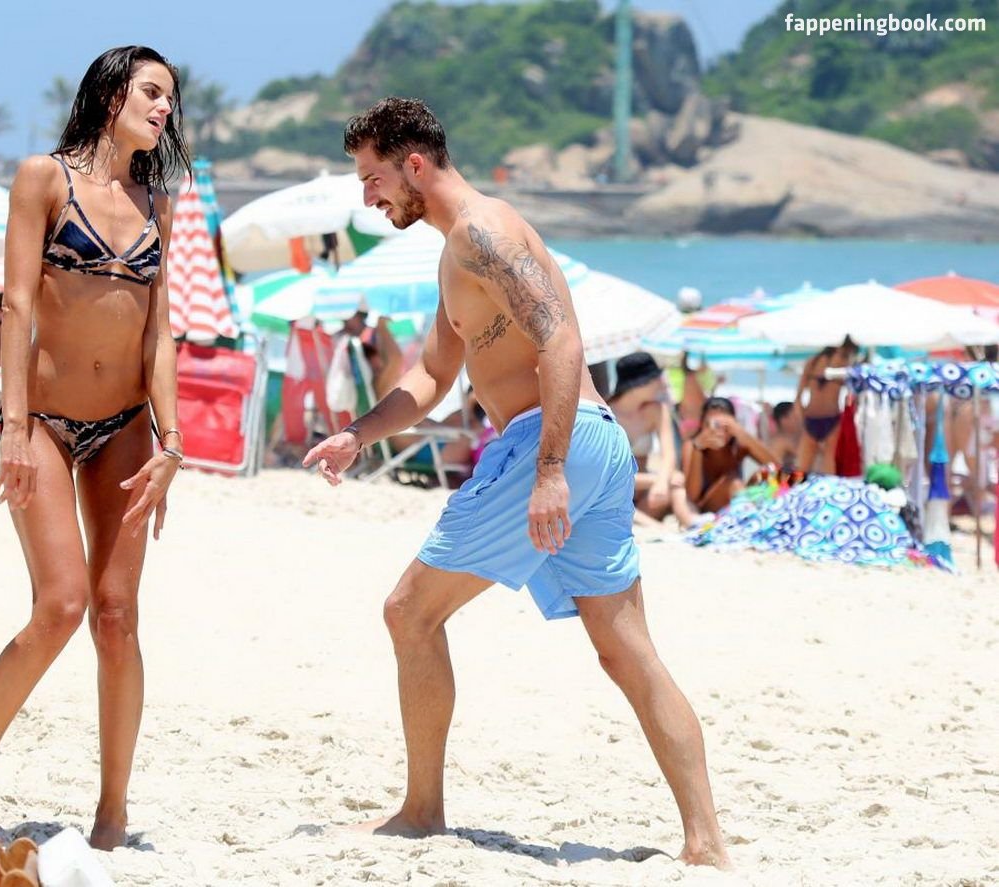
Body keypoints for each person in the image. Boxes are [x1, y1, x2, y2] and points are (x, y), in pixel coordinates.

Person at [302, 97, 730, 867]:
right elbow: (432, 378)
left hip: (551, 440)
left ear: (414, 164)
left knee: (409, 612)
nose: (367, 197)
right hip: (595, 442)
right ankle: (705, 844)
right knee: (626, 650)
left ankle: (421, 811)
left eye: (372, 178)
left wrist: (549, 470)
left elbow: (559, 340)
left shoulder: (483, 232)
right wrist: (358, 433)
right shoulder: (455, 253)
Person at [0, 45, 188, 851]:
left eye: (170, 98)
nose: (163, 108)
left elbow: (158, 334)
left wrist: (171, 442)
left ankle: (112, 813)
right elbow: (18, 306)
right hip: (45, 424)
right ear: (111, 94)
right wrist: (12, 428)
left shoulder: (157, 202)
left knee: (118, 617)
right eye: (151, 91)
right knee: (60, 606)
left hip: (124, 427)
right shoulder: (42, 179)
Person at [607, 351, 697, 527]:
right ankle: (658, 528)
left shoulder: (657, 410)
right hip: (614, 491)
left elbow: (669, 454)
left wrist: (662, 481)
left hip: (644, 495)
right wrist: (657, 480)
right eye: (656, 378)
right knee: (671, 479)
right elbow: (606, 476)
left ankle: (693, 524)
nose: (662, 383)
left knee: (675, 482)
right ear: (639, 383)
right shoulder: (605, 413)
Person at [684, 396, 780, 513]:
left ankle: (760, 510)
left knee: (766, 473)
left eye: (724, 425)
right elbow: (692, 497)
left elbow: (777, 468)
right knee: (734, 482)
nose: (716, 431)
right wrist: (698, 448)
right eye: (710, 424)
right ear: (701, 425)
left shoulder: (737, 446)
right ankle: (748, 514)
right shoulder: (692, 446)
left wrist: (741, 433)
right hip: (706, 506)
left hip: (736, 497)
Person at [794, 336, 857, 473]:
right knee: (829, 468)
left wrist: (803, 418)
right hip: (830, 417)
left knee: (802, 470)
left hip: (813, 416)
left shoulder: (813, 362)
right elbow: (851, 397)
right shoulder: (845, 363)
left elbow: (798, 397)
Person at [341, 303, 404, 401]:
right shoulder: (349, 338)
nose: (344, 320)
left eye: (348, 317)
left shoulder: (370, 335)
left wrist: (382, 327)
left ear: (359, 315)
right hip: (371, 391)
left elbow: (394, 359)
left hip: (377, 390)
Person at [767, 401, 801, 474]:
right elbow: (804, 455)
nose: (798, 421)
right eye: (795, 417)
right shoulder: (783, 441)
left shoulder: (776, 438)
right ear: (784, 420)